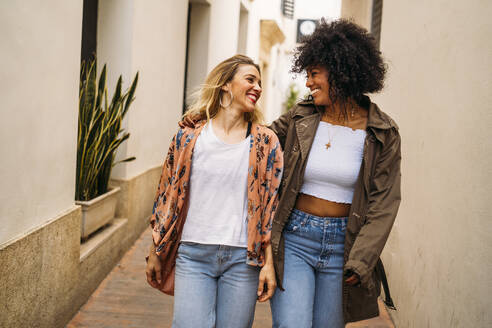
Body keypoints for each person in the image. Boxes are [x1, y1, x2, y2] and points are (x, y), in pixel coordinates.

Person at [268, 19, 401, 327]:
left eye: (314, 74)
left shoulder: (383, 132)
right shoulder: (300, 115)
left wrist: (362, 259)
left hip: (345, 247)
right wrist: (211, 117)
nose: (308, 83)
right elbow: (260, 142)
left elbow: (384, 204)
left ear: (340, 73)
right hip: (296, 239)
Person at [145, 54, 283, 328]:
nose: (257, 87)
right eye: (250, 79)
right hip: (193, 254)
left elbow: (270, 211)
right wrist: (155, 249)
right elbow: (165, 199)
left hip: (243, 260)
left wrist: (268, 264)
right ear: (225, 85)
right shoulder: (188, 138)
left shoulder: (265, 142)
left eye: (260, 82)